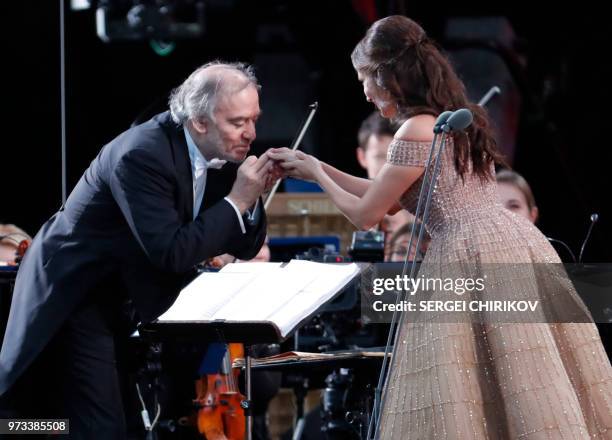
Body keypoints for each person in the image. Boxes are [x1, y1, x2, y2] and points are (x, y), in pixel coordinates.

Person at [269, 16, 612, 439]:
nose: (364, 91)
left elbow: (369, 214)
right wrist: (318, 165)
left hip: (468, 252)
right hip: (508, 242)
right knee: (519, 370)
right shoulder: (447, 121)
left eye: (364, 78)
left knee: (473, 377)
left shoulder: (416, 129)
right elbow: (389, 197)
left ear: (386, 75)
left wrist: (313, 174)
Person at [0, 61, 278, 438]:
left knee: (129, 425)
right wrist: (236, 200)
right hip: (74, 299)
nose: (251, 133)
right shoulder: (142, 154)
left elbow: (244, 245)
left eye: (254, 118)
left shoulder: (213, 148)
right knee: (97, 429)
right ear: (200, 121)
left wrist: (250, 197)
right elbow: (172, 252)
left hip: (121, 303)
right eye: (238, 122)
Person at [356, 111, 413, 256]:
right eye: (380, 157)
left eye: (395, 156)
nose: (389, 166)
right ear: (362, 157)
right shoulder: (349, 204)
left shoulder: (424, 206)